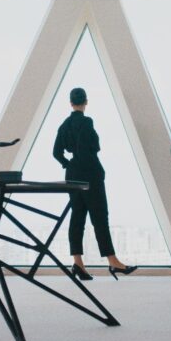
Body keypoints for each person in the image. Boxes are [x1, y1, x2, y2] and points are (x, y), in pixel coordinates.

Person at [53, 87, 137, 281]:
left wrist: (68, 164)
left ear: (71, 102)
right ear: (86, 102)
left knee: (77, 217)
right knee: (99, 217)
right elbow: (93, 147)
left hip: (73, 174)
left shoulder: (64, 125)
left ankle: (78, 263)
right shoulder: (87, 122)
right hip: (90, 173)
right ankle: (113, 261)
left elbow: (56, 152)